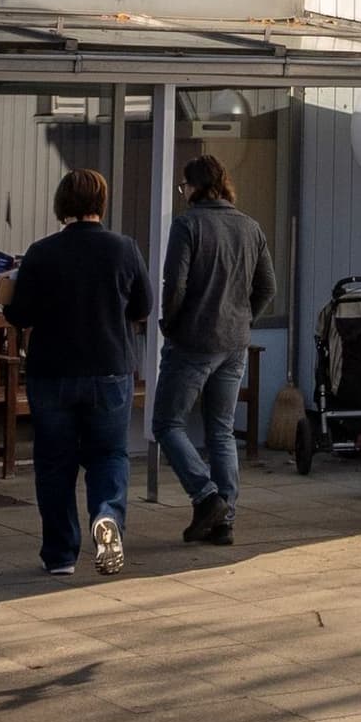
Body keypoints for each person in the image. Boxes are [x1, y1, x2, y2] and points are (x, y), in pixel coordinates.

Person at [4, 168, 151, 577]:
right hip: (109, 369)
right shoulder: (125, 249)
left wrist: (4, 296)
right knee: (108, 455)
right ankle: (107, 517)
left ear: (61, 203)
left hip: (52, 371)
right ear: (100, 203)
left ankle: (60, 555)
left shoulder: (41, 252)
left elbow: (20, 314)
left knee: (54, 463)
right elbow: (143, 307)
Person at [154, 154, 280, 545]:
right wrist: (244, 319)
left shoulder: (187, 225)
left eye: (184, 186)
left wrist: (170, 323)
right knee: (221, 431)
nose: (182, 192)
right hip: (234, 343)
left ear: (196, 187)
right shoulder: (250, 226)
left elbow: (174, 285)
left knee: (166, 423)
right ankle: (225, 520)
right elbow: (268, 288)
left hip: (193, 340)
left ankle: (207, 497)